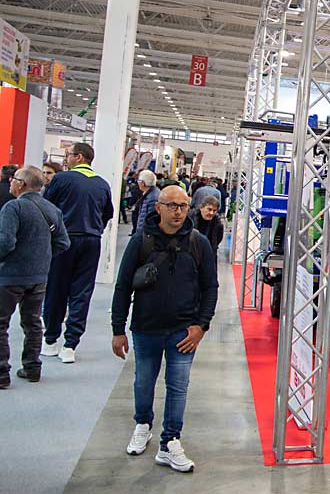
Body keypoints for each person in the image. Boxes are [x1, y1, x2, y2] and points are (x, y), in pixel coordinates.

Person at [111, 185, 218, 473]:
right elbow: (122, 286)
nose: (178, 211)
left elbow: (210, 287)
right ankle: (142, 423)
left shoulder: (199, 243)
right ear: (158, 207)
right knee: (144, 381)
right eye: (172, 205)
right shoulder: (140, 242)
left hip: (184, 331)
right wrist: (117, 328)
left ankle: (170, 440)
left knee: (178, 387)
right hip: (146, 327)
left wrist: (201, 326)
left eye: (183, 206)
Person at [41, 142, 114, 364]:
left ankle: (51, 340)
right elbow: (107, 213)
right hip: (92, 241)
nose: (66, 158)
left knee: (56, 289)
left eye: (69, 155)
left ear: (79, 157)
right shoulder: (102, 184)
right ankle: (70, 345)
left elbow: (46, 208)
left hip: (64, 240)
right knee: (82, 293)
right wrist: (95, 229)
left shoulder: (61, 179)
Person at [0, 167, 70, 388]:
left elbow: (5, 242)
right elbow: (63, 243)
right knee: (32, 322)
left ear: (21, 184)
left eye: (14, 180)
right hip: (39, 276)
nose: (10, 183)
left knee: (1, 324)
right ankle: (32, 367)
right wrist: (42, 256)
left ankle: (2, 372)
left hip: (10, 276)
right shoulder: (52, 209)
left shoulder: (14, 207)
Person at [134, 170, 160, 236]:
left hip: (146, 235)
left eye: (138, 181)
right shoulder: (151, 193)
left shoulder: (152, 198)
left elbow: (150, 221)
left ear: (142, 183)